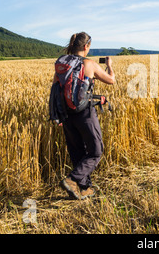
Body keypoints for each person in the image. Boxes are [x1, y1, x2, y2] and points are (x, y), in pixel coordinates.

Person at [54, 32, 115, 200]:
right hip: (85, 113)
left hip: (66, 114)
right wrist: (109, 65)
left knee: (77, 151)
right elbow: (111, 80)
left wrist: (57, 114)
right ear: (86, 46)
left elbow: (55, 89)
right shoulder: (89, 64)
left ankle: (84, 188)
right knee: (96, 150)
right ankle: (72, 180)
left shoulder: (62, 64)